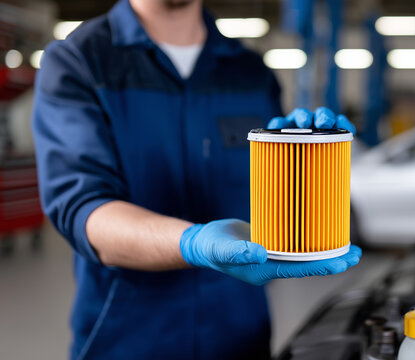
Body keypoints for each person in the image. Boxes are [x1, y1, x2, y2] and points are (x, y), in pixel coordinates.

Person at [31, 0, 360, 358]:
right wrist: (192, 243)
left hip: (241, 338)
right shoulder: (80, 61)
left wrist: (305, 161)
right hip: (128, 341)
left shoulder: (250, 72)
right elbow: (82, 209)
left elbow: (277, 201)